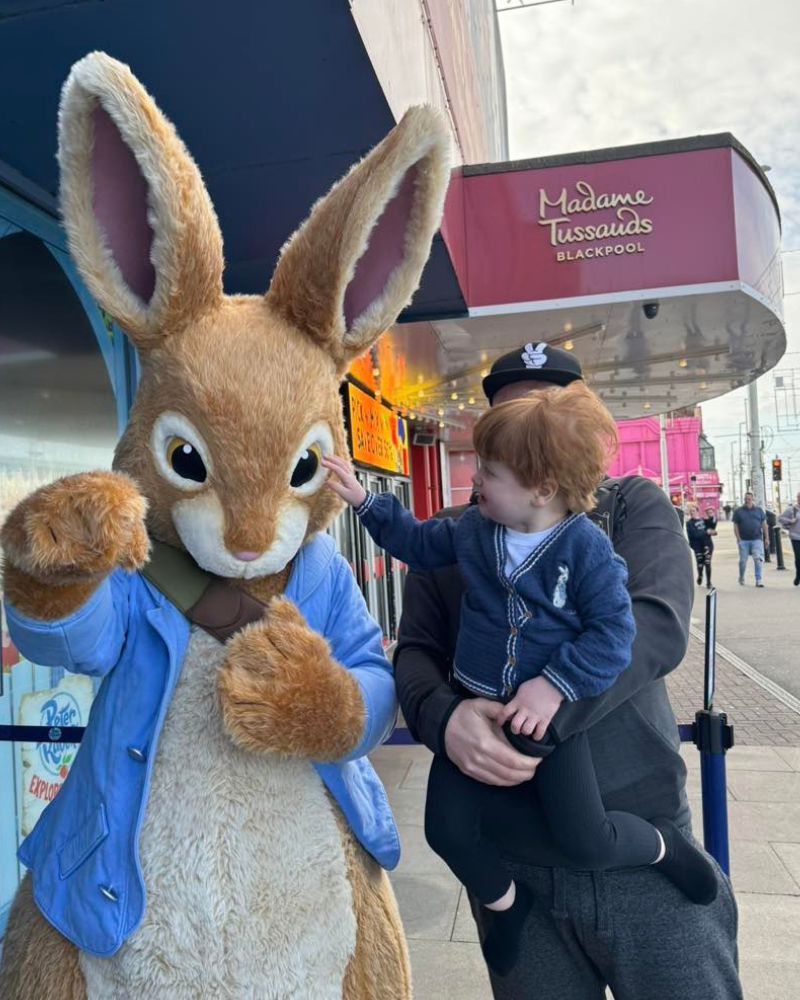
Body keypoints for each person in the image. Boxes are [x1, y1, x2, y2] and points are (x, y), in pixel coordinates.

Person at [323, 384, 718, 975]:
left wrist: (556, 684)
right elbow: (414, 542)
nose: (475, 481)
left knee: (587, 838)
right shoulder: (474, 531)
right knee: (445, 830)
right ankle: (506, 906)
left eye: (490, 472)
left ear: (542, 488)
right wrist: (363, 500)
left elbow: (619, 633)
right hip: (482, 706)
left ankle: (667, 850)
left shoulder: (587, 548)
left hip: (545, 722)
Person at [733, 492, 769, 587]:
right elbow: (735, 526)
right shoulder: (738, 511)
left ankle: (759, 580)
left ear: (752, 499)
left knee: (758, 559)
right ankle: (741, 576)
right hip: (744, 540)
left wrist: (766, 538)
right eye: (745, 499)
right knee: (743, 561)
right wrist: (738, 538)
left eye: (749, 499)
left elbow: (764, 525)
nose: (747, 501)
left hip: (757, 539)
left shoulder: (759, 510)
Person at [686, 503, 713, 588]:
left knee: (707, 563)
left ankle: (709, 582)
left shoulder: (704, 520)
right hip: (697, 546)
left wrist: (712, 532)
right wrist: (705, 532)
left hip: (707, 544)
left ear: (697, 511)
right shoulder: (689, 523)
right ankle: (700, 575)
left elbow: (711, 530)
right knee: (700, 563)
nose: (692, 513)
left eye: (693, 511)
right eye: (691, 511)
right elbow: (694, 534)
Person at [779, 491, 800, 585]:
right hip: (795, 537)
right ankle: (798, 575)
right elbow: (780, 518)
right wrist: (790, 521)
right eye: (799, 497)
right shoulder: (792, 509)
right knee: (798, 558)